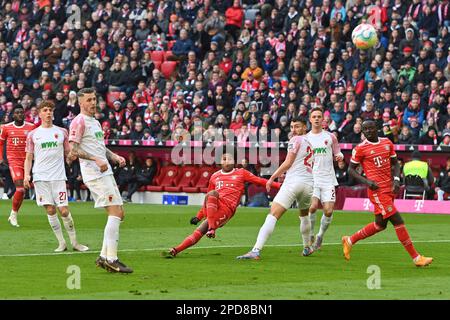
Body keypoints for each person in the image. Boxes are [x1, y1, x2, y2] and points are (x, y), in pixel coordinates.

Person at [343, 120, 433, 267]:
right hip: (377, 191)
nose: (368, 131)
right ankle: (417, 258)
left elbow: (396, 163)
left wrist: (397, 179)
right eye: (365, 129)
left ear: (377, 128)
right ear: (363, 132)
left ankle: (350, 240)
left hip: (389, 188)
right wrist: (367, 182)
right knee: (398, 220)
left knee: (380, 225)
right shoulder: (360, 148)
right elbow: (351, 170)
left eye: (371, 128)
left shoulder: (387, 143)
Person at [162, 153, 281, 258]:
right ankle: (175, 250)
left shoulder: (241, 173)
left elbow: (260, 181)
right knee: (199, 230)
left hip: (228, 209)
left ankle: (212, 228)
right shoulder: (214, 176)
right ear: (220, 161)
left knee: (212, 195)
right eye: (224, 159)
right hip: (215, 209)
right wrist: (198, 217)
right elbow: (209, 200)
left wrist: (280, 186)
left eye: (229, 159)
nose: (226, 161)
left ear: (234, 161)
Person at [68, 88, 132, 273]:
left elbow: (101, 149)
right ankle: (112, 259)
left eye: (94, 99)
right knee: (114, 212)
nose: (93, 103)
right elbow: (73, 150)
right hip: (94, 174)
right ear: (81, 103)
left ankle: (104, 257)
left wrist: (115, 157)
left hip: (105, 172)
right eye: (89, 100)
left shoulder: (95, 122)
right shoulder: (79, 121)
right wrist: (95, 159)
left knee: (119, 213)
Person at [237, 117, 315, 260]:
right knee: (304, 215)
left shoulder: (295, 140)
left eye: (297, 127)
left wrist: (272, 177)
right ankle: (307, 247)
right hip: (309, 184)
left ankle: (255, 250)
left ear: (305, 127)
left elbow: (288, 161)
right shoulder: (312, 143)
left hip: (293, 182)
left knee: (273, 214)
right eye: (291, 127)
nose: (293, 130)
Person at [23, 101, 88, 252]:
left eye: (50, 110)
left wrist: (73, 156)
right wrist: (27, 175)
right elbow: (28, 157)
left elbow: (68, 153)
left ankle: (75, 243)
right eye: (45, 110)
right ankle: (61, 243)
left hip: (58, 177)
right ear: (39, 113)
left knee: (64, 211)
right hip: (40, 177)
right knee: (51, 210)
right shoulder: (33, 135)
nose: (48, 113)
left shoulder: (62, 132)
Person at [307, 108, 344, 250]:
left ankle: (320, 235)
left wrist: (339, 158)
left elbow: (338, 152)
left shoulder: (330, 137)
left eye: (319, 117)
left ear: (323, 119)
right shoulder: (306, 138)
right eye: (314, 116)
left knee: (328, 210)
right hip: (312, 178)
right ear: (310, 119)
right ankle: (310, 234)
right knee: (312, 206)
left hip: (328, 178)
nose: (316, 119)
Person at [0, 105, 35, 227]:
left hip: (28, 161)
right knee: (20, 188)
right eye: (17, 112)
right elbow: (1, 143)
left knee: (23, 191)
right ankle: (13, 215)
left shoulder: (31, 127)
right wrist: (0, 158)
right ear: (13, 115)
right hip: (14, 160)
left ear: (24, 114)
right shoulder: (6, 127)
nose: (19, 114)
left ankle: (13, 215)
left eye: (21, 112)